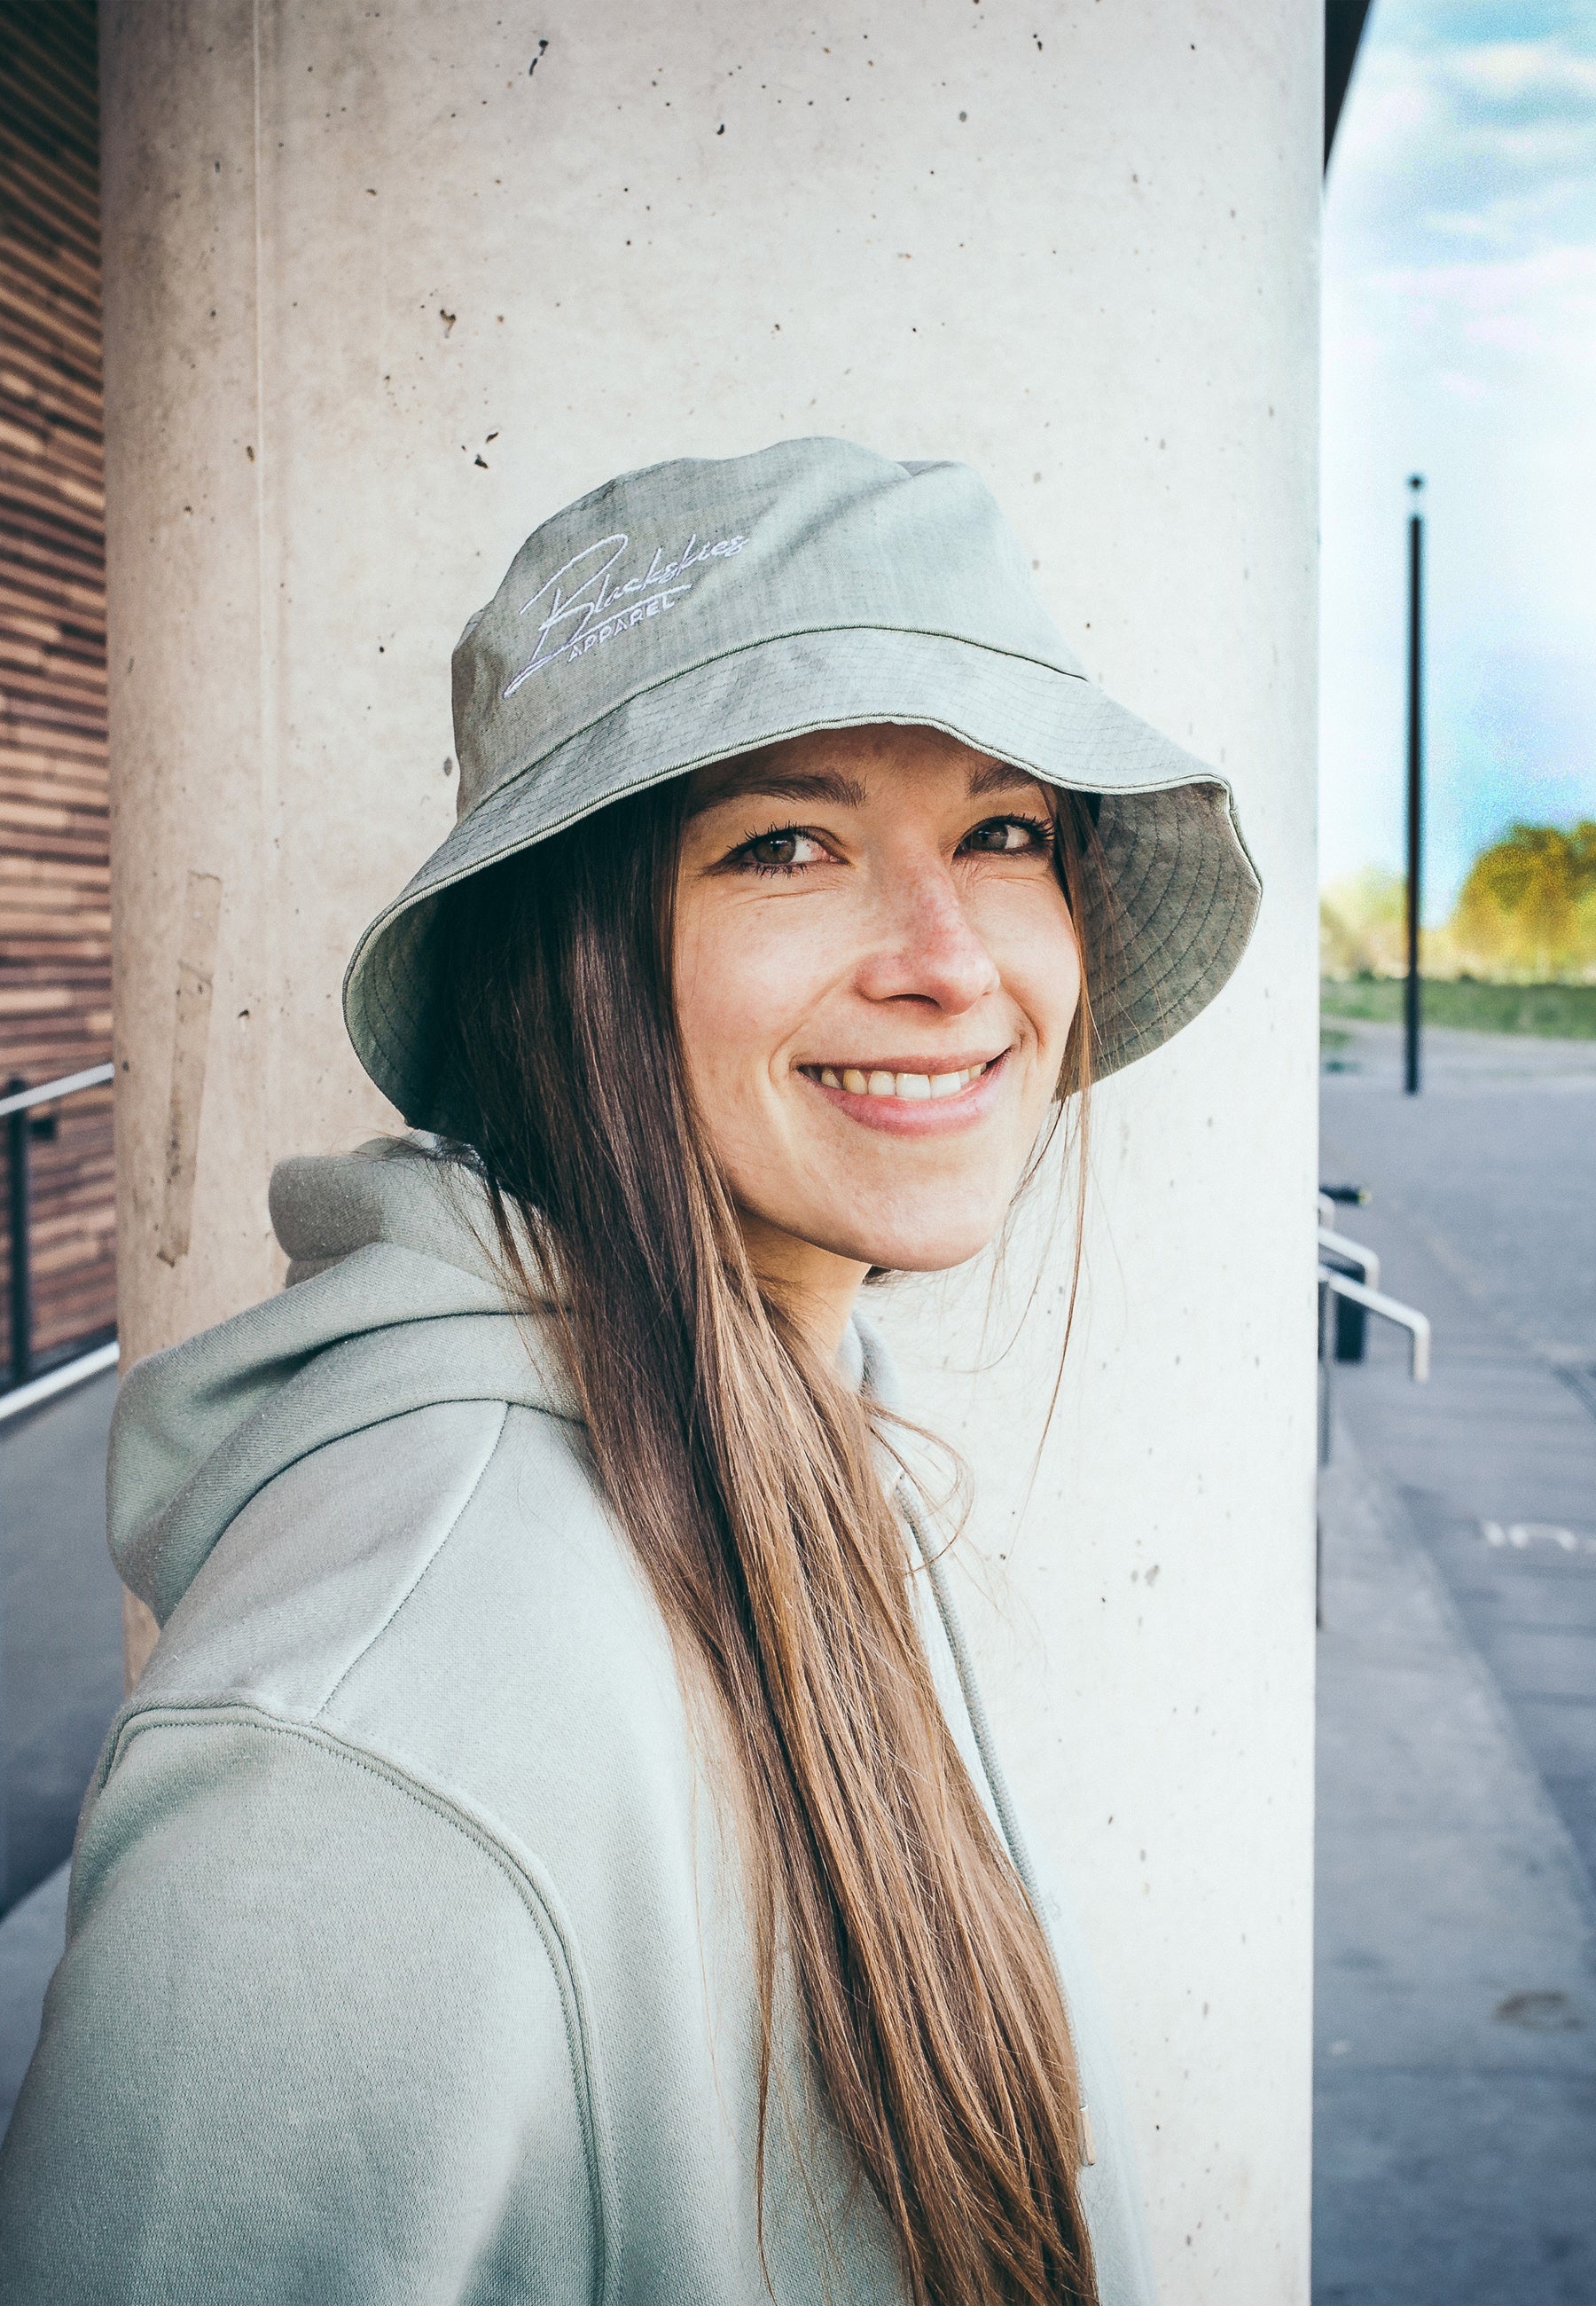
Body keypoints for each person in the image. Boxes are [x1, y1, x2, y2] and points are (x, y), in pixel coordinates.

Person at [0, 439, 1258, 2305]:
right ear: (564, 963)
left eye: (1003, 833)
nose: (949, 959)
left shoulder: (803, 1428)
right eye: (785, 844)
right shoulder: (383, 1719)